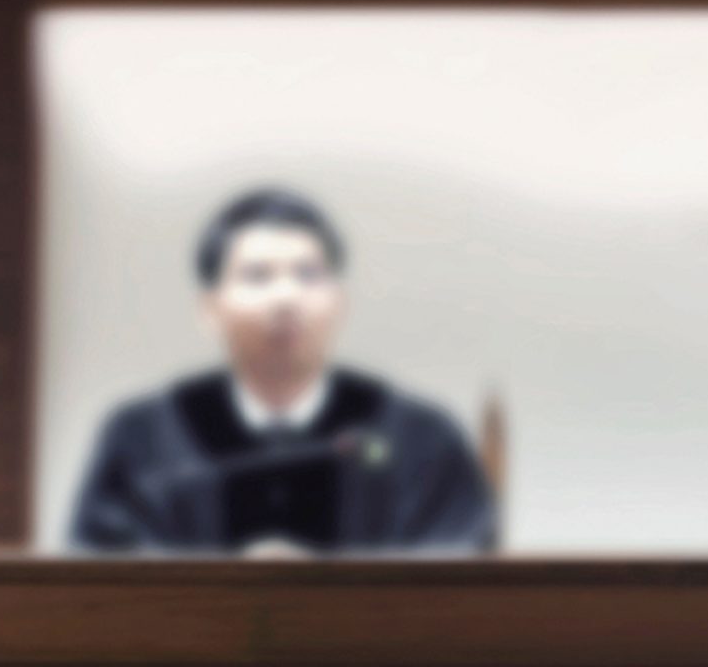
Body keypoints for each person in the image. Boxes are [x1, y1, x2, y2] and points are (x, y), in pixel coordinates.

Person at [67, 186, 496, 555]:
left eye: (308, 275)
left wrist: (320, 597)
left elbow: (459, 577)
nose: (286, 297)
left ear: (340, 302)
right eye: (257, 276)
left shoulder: (417, 437)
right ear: (210, 309)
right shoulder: (144, 437)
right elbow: (101, 581)